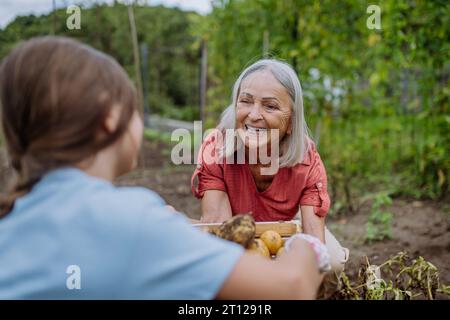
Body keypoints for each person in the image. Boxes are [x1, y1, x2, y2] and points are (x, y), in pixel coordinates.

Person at [0, 36, 327, 299]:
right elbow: (292, 287)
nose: (255, 114)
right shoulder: (133, 218)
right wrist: (304, 245)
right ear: (110, 121)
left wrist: (176, 230)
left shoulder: (11, 220)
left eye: (270, 106)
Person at [191, 59, 349, 272]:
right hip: (234, 236)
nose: (254, 115)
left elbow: (314, 241)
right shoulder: (216, 149)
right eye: (246, 101)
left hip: (286, 235)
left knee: (332, 262)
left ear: (291, 123)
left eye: (270, 106)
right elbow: (223, 236)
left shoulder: (307, 161)